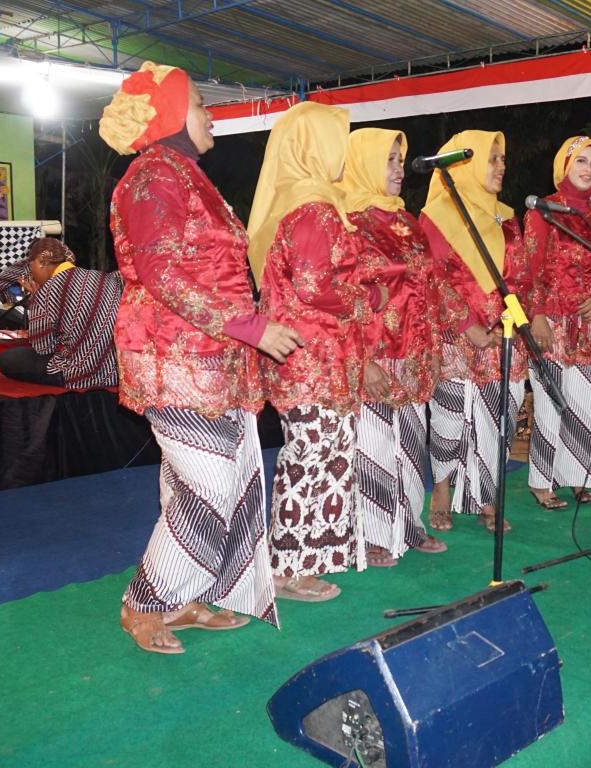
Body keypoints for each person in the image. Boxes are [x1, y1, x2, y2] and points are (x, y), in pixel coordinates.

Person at [103, 63, 300, 654]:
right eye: (200, 105)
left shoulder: (185, 176)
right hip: (173, 357)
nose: (211, 115)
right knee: (209, 482)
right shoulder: (148, 181)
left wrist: (249, 329)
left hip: (215, 357)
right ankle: (144, 602)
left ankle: (185, 594)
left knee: (205, 480)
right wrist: (250, 326)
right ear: (168, 115)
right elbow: (163, 274)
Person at [248, 101, 385, 601]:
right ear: (315, 147)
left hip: (319, 356)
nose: (344, 153)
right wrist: (371, 295)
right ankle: (288, 568)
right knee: (311, 459)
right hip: (313, 359)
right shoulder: (312, 209)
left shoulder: (309, 203)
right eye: (337, 140)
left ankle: (306, 558)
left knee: (321, 457)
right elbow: (312, 286)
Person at [337, 127, 448, 566]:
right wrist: (361, 360)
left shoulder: (408, 222)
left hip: (413, 349)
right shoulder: (349, 224)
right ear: (362, 162)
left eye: (401, 161)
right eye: (389, 160)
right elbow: (342, 299)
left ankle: (408, 522)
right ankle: (372, 533)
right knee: (374, 446)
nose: (399, 170)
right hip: (374, 350)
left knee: (408, 441)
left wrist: (435, 344)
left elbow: (430, 287)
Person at [420, 130, 531, 534]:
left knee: (498, 419)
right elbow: (432, 277)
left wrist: (510, 319)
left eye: (503, 159)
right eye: (492, 158)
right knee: (450, 421)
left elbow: (519, 273)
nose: (501, 166)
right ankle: (442, 490)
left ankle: (488, 499)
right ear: (466, 162)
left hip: (503, 334)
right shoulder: (438, 214)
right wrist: (467, 325)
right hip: (456, 335)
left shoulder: (506, 215)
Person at [524, 135, 591, 509]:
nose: (588, 170)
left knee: (587, 404)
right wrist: (536, 317)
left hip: (589, 324)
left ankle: (579, 476)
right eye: (580, 161)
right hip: (549, 322)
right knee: (551, 405)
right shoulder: (544, 210)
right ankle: (541, 481)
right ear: (564, 165)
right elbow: (528, 269)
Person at [0, 238, 123, 389]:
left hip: (81, 375)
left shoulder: (46, 292)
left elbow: (43, 348)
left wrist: (36, 299)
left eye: (31, 267)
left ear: (42, 260)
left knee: (6, 359)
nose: (32, 275)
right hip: (116, 372)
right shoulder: (106, 278)